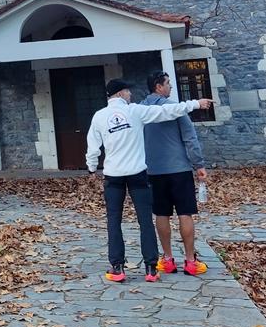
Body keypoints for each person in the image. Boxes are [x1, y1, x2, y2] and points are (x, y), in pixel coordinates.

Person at [86, 78, 212, 283]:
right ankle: (151, 268)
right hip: (137, 173)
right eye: (127, 91)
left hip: (113, 175)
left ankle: (117, 267)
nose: (130, 95)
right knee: (145, 220)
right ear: (120, 93)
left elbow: (93, 147)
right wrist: (196, 104)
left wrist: (92, 168)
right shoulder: (135, 111)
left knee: (113, 221)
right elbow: (166, 111)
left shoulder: (99, 116)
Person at [142, 70, 209, 277]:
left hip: (154, 170)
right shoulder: (176, 109)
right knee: (184, 213)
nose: (171, 87)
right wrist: (199, 164)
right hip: (179, 169)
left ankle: (167, 258)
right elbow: (190, 138)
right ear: (158, 86)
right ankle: (190, 261)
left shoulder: (140, 110)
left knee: (161, 214)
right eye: (168, 83)